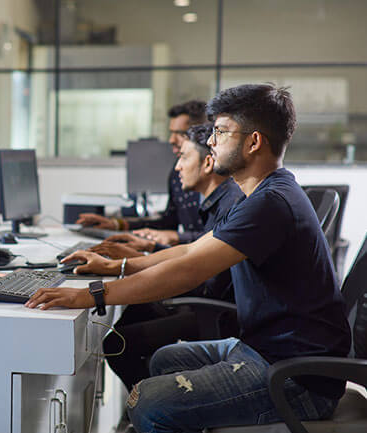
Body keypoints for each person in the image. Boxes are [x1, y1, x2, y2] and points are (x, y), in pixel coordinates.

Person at [26, 84, 350, 432]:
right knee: (166, 359)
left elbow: (187, 270)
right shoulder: (258, 194)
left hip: (296, 378)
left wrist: (91, 294)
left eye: (221, 132)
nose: (210, 141)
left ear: (254, 142)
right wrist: (117, 266)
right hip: (267, 351)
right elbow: (191, 249)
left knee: (149, 404)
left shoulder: (270, 203)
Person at [91, 123, 245, 391]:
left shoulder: (230, 203)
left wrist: (123, 268)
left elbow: (198, 274)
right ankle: (149, 404)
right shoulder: (219, 202)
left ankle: (150, 405)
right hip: (204, 302)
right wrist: (134, 259)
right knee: (130, 314)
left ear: (208, 162)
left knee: (116, 342)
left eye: (183, 157)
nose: (177, 167)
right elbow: (192, 253)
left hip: (213, 312)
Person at [77, 101, 207, 247]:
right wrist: (117, 224)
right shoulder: (178, 173)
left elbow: (220, 235)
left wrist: (178, 237)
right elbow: (168, 221)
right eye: (171, 133)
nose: (171, 140)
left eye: (181, 134)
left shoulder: (222, 180)